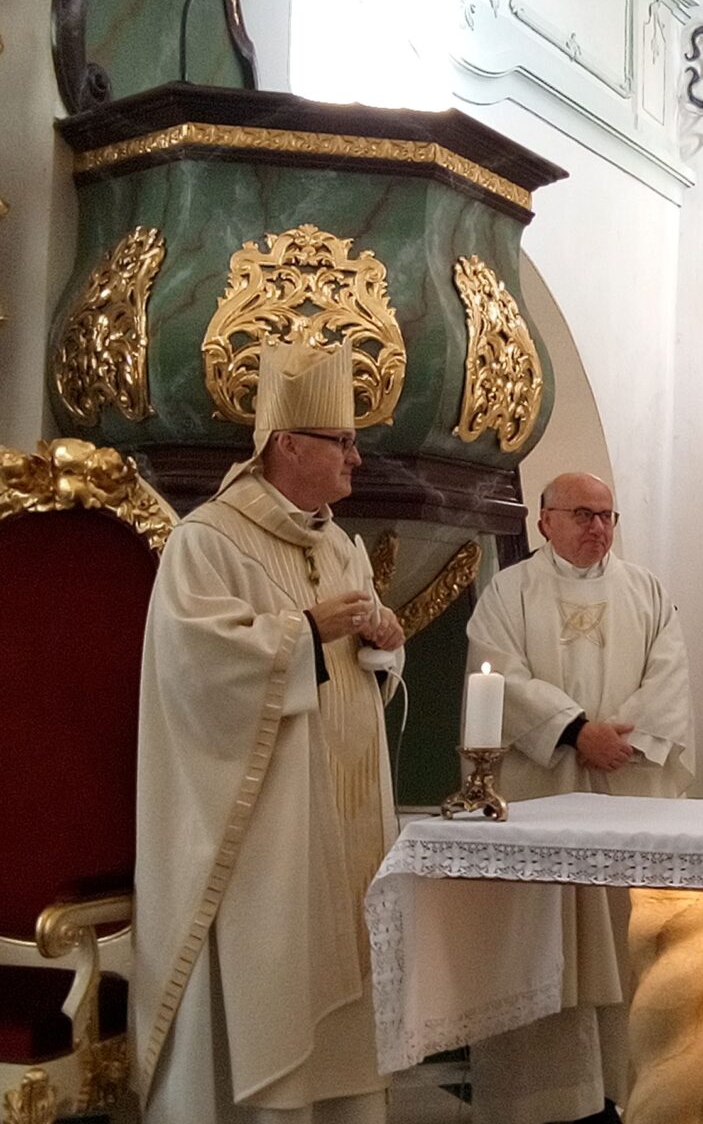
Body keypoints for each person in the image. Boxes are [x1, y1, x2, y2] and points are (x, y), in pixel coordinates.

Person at [135, 338, 404, 1123]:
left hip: (349, 816)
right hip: (269, 836)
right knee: (279, 992)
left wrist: (385, 646)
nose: (357, 459)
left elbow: (361, 675)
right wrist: (304, 632)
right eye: (344, 441)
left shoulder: (339, 544)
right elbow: (195, 674)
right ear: (289, 443)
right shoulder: (208, 542)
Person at [465, 472, 695, 1124]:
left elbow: (670, 679)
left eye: (607, 516)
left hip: (625, 795)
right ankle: (539, 1103)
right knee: (541, 948)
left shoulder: (647, 591)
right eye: (582, 514)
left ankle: (628, 1091)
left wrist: (620, 738)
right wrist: (573, 732)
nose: (598, 527)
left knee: (627, 949)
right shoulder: (507, 594)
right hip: (544, 797)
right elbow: (495, 674)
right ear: (545, 521)